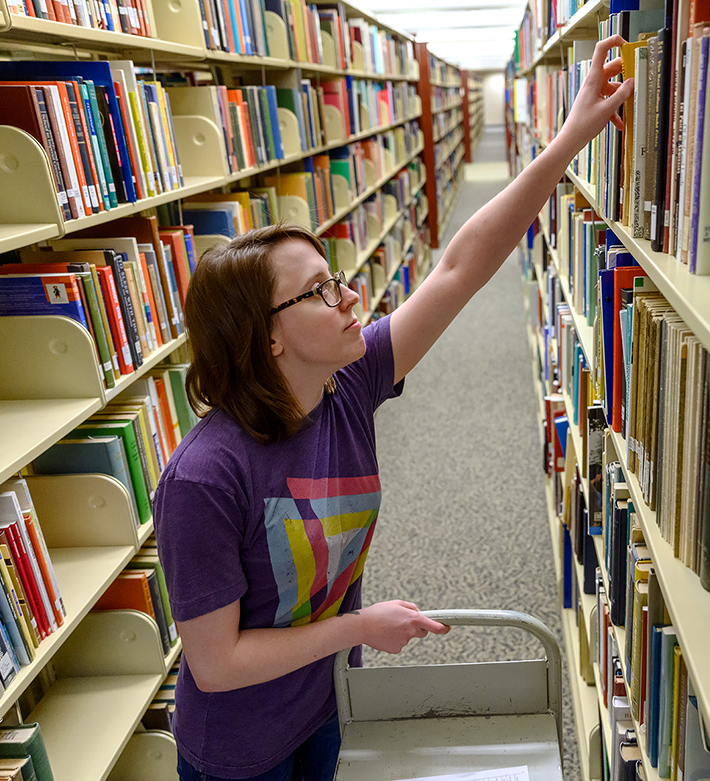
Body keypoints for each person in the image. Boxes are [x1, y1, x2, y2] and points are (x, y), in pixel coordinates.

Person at [154, 33, 634, 781]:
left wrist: (571, 137)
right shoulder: (203, 479)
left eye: (336, 276)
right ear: (267, 338)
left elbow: (459, 267)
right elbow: (215, 665)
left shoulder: (348, 383)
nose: (349, 296)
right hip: (239, 751)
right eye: (317, 291)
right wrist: (357, 626)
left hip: (332, 703)